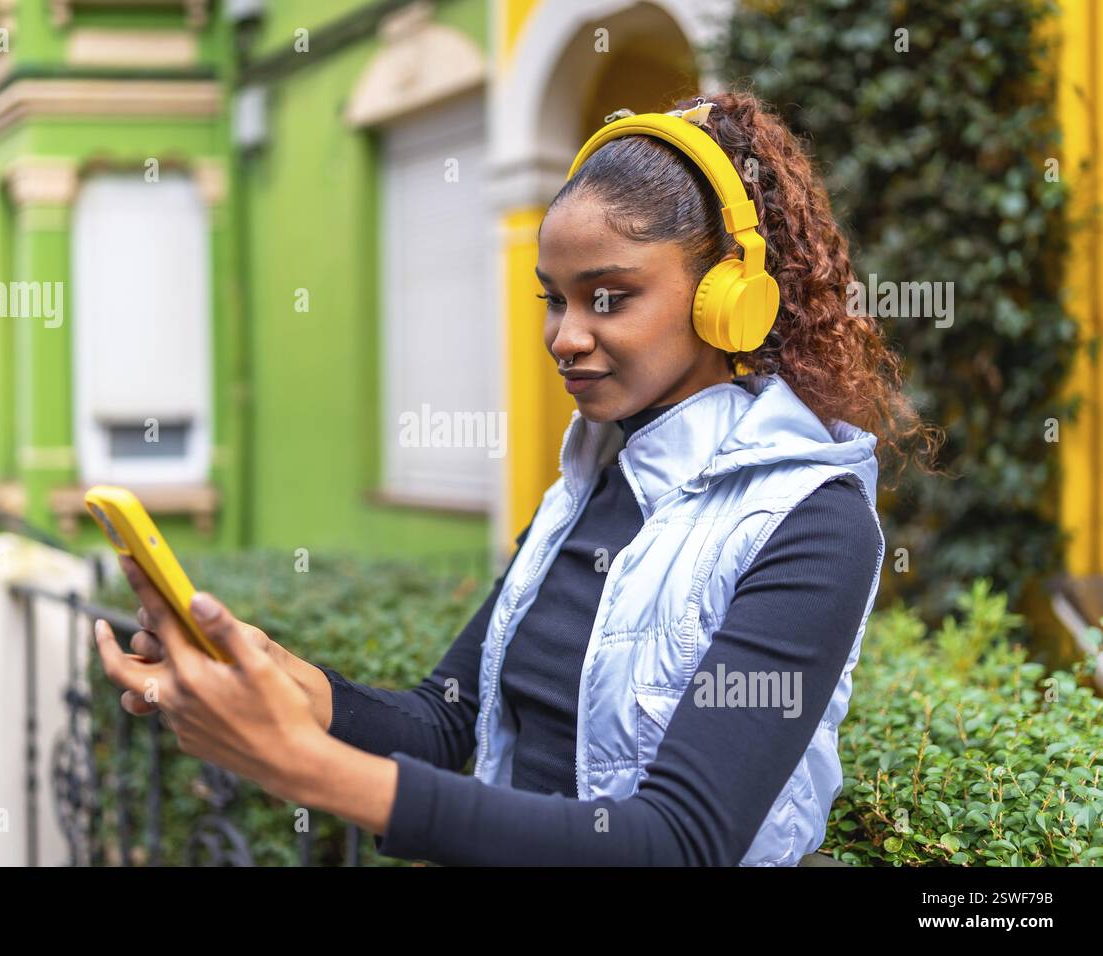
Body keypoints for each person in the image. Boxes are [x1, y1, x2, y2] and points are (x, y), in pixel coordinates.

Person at [94, 89, 943, 866]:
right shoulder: (588, 481)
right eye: (554, 298)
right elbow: (441, 720)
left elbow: (678, 842)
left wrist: (302, 767)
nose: (566, 335)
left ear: (728, 299)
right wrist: (270, 673)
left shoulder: (811, 521)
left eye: (607, 296)